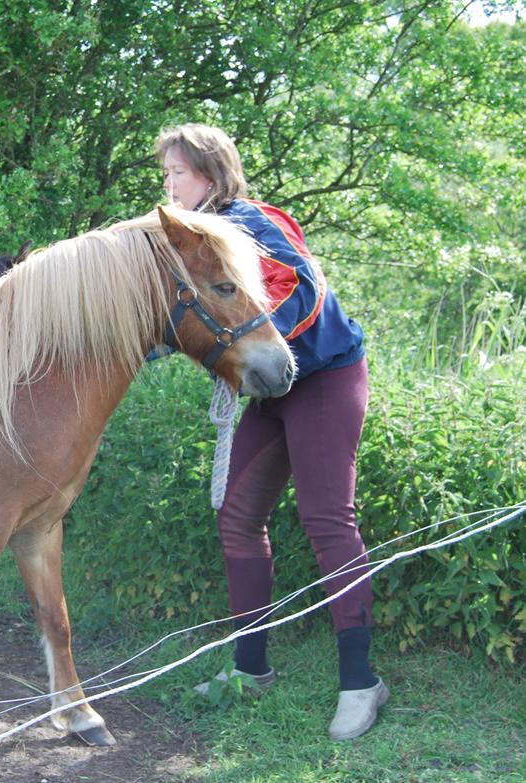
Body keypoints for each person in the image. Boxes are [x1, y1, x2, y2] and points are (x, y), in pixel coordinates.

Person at [155, 123, 387, 740]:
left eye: (178, 172)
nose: (169, 184)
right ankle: (251, 669)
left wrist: (247, 346)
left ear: (211, 174)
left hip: (324, 379)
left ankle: (361, 682)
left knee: (327, 519)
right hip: (271, 392)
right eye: (166, 173)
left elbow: (302, 290)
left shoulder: (251, 223)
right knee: (237, 517)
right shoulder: (193, 243)